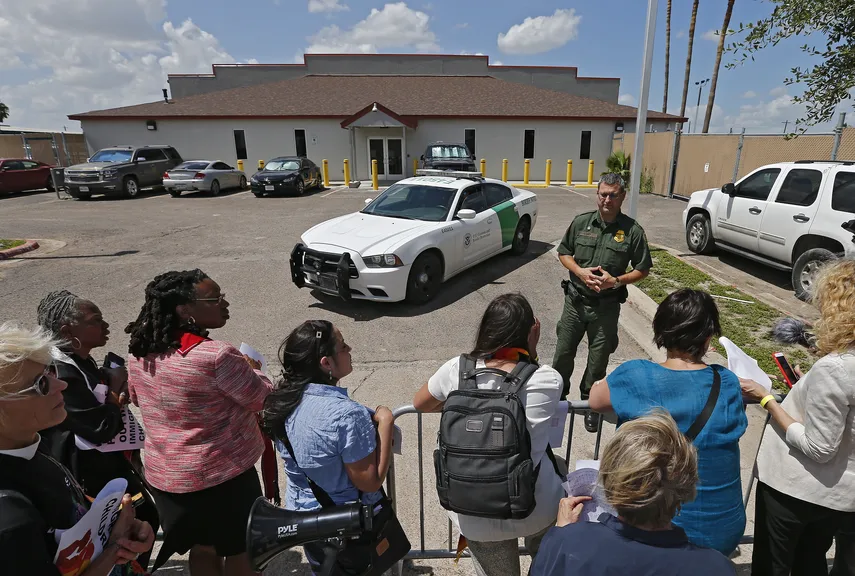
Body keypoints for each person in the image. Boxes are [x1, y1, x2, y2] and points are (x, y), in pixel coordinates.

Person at [124, 269, 273, 576]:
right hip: (223, 478)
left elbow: (137, 398)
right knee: (242, 548)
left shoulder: (140, 352)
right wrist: (254, 369)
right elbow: (261, 399)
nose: (225, 303)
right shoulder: (217, 356)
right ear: (184, 310)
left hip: (170, 480)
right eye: (215, 299)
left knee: (203, 548)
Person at [588, 288, 748, 555]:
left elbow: (595, 400)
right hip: (723, 531)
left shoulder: (636, 374)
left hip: (658, 530)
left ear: (660, 331)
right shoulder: (728, 381)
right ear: (708, 338)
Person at [413, 293, 563, 576]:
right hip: (535, 505)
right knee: (548, 567)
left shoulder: (457, 369)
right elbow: (527, 366)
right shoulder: (546, 379)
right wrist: (532, 345)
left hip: (473, 513)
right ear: (531, 331)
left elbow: (421, 402)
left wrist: (466, 407)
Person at [0, 322, 155, 576]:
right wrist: (115, 549)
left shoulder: (29, 444)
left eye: (51, 372)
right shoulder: (10, 517)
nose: (61, 385)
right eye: (41, 384)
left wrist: (116, 521)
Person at [741, 259, 855, 576]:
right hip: (837, 497)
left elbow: (820, 448)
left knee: (773, 566)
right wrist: (807, 386)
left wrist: (767, 400)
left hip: (797, 491)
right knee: (811, 561)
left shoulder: (836, 366)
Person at [36, 290, 160, 570]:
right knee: (132, 526)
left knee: (144, 519)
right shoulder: (61, 372)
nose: (106, 325)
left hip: (106, 465)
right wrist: (115, 389)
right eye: (96, 320)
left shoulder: (81, 361)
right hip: (86, 474)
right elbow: (100, 428)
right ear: (68, 331)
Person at [260, 320, 395, 575]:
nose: (350, 349)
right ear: (326, 363)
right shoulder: (347, 415)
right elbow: (370, 482)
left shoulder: (282, 401)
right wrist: (386, 423)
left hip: (306, 521)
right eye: (343, 346)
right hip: (346, 525)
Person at [531, 410, 736, 575]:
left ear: (609, 482)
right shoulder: (716, 567)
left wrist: (562, 532)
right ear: (686, 486)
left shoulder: (567, 545)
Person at [552, 172, 653, 431]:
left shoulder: (632, 231)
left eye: (613, 195)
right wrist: (580, 272)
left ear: (622, 197)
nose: (607, 199)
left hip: (607, 307)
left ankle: (590, 404)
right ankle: (557, 401)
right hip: (575, 303)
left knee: (598, 361)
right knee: (563, 353)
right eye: (603, 194)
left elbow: (643, 269)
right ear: (597, 194)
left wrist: (616, 281)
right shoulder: (581, 222)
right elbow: (564, 252)